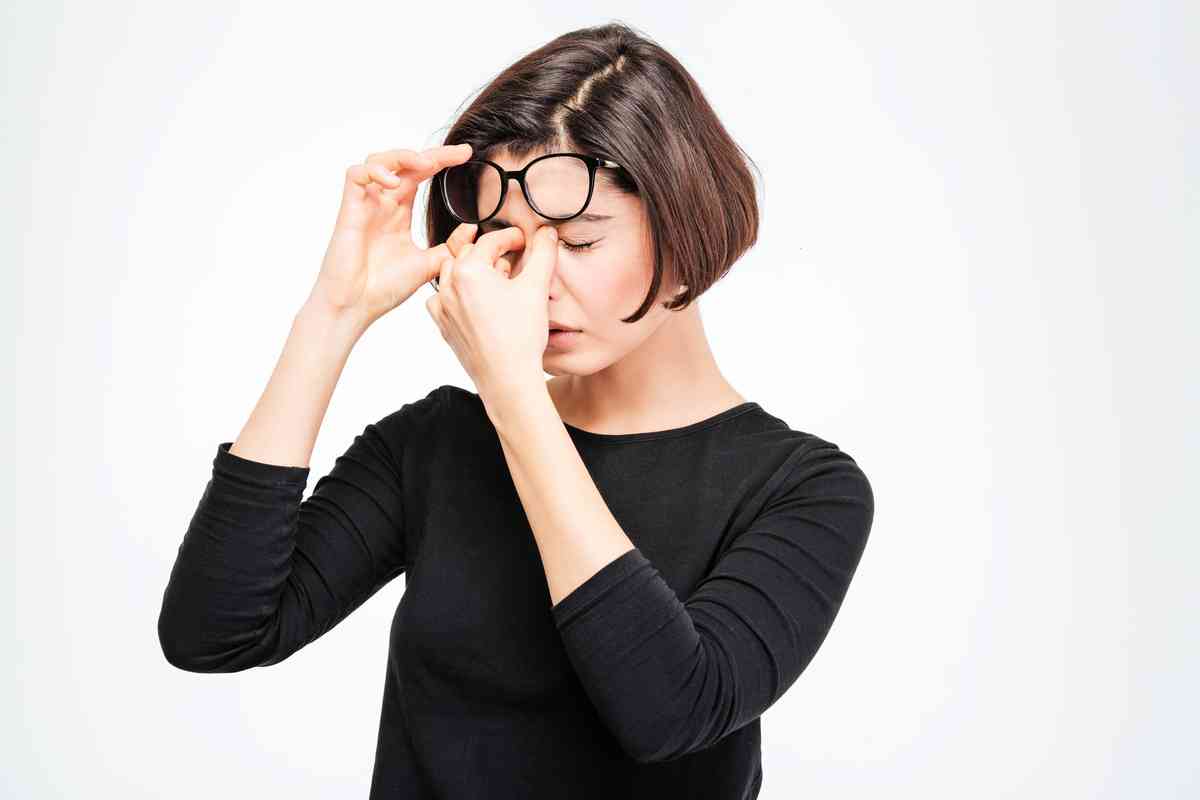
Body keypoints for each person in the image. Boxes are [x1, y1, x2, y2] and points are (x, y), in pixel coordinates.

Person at [157, 21, 875, 800]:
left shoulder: (803, 488)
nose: (536, 283)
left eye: (581, 242)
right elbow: (213, 632)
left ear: (687, 226)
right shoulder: (438, 443)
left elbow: (668, 711)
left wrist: (512, 392)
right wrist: (334, 312)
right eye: (508, 241)